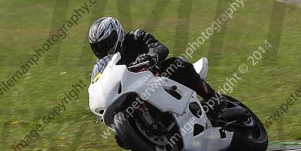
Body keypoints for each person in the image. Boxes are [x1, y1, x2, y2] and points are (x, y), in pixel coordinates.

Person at [87, 16, 224, 119]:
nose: (102, 50)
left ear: (116, 36)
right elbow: (99, 84)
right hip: (135, 93)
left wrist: (151, 56)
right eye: (98, 47)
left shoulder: (136, 37)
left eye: (106, 44)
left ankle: (214, 98)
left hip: (158, 79)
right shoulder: (103, 66)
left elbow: (160, 48)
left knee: (176, 64)